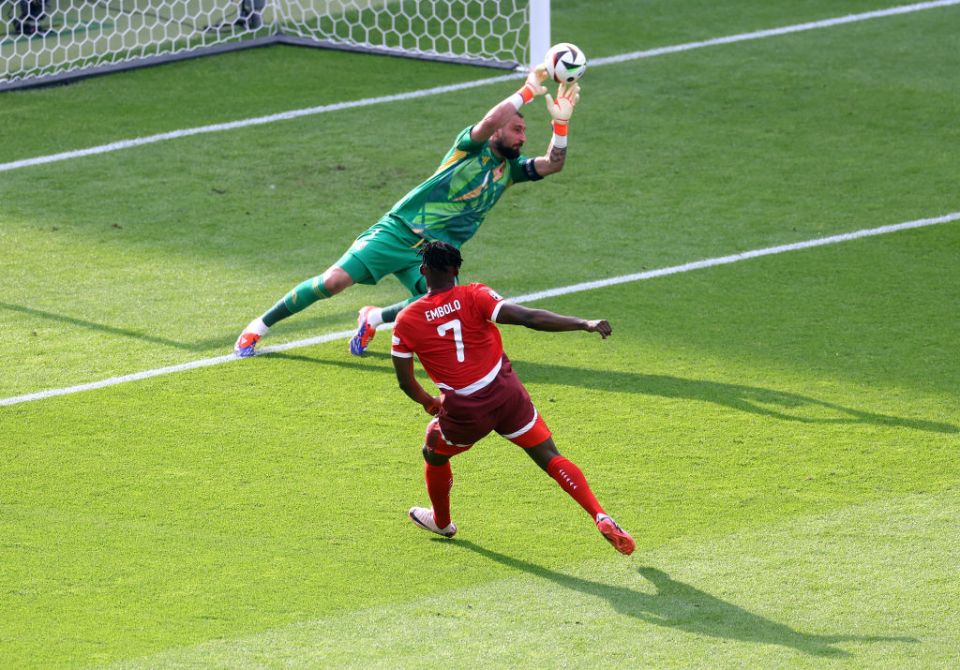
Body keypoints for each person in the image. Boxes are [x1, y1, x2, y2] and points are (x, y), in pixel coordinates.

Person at [234, 65, 581, 357]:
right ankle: (258, 327)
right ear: (499, 132)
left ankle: (372, 318)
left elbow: (553, 164)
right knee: (334, 281)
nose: (522, 137)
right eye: (517, 129)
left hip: (435, 253)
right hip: (399, 231)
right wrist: (529, 90)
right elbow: (490, 120)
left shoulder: (512, 171)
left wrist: (560, 126)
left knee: (437, 303)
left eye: (524, 132)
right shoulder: (468, 149)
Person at [391, 241, 635, 556]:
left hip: (465, 410)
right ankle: (599, 514)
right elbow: (529, 317)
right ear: (455, 270)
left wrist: (429, 402)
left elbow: (404, 380)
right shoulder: (475, 294)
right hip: (507, 394)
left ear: (423, 271)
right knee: (549, 455)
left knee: (433, 451)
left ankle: (442, 521)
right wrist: (583, 324)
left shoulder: (407, 320)